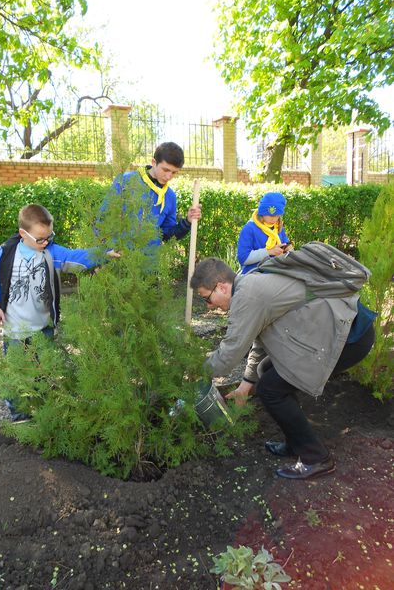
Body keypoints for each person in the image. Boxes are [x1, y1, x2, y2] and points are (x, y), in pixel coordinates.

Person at [190, 257, 375, 480]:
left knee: (271, 389)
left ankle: (316, 458)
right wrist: (245, 386)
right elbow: (259, 342)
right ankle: (296, 443)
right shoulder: (249, 285)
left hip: (348, 337)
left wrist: (198, 373)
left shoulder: (247, 297)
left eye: (207, 299)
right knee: (266, 371)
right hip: (332, 331)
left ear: (221, 286)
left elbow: (230, 353)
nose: (209, 306)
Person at [0, 203, 119, 418]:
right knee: (16, 375)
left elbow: (77, 257)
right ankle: (20, 418)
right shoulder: (5, 253)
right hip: (15, 329)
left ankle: (43, 415)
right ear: (22, 233)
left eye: (49, 236)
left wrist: (104, 254)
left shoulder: (52, 253)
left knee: (43, 373)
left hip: (43, 327)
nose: (45, 242)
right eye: (40, 239)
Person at [110, 142, 201, 244]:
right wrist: (108, 249)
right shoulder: (126, 181)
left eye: (174, 172)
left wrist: (187, 222)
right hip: (120, 256)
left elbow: (167, 235)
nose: (168, 176)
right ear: (154, 162)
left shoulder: (170, 196)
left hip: (151, 258)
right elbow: (104, 218)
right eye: (165, 170)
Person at [237, 192, 292, 274]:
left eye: (277, 216)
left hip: (276, 271)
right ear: (262, 213)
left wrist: (288, 247)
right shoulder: (249, 228)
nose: (273, 219)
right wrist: (269, 252)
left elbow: (285, 242)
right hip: (254, 275)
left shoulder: (278, 226)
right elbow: (243, 258)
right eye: (270, 215)